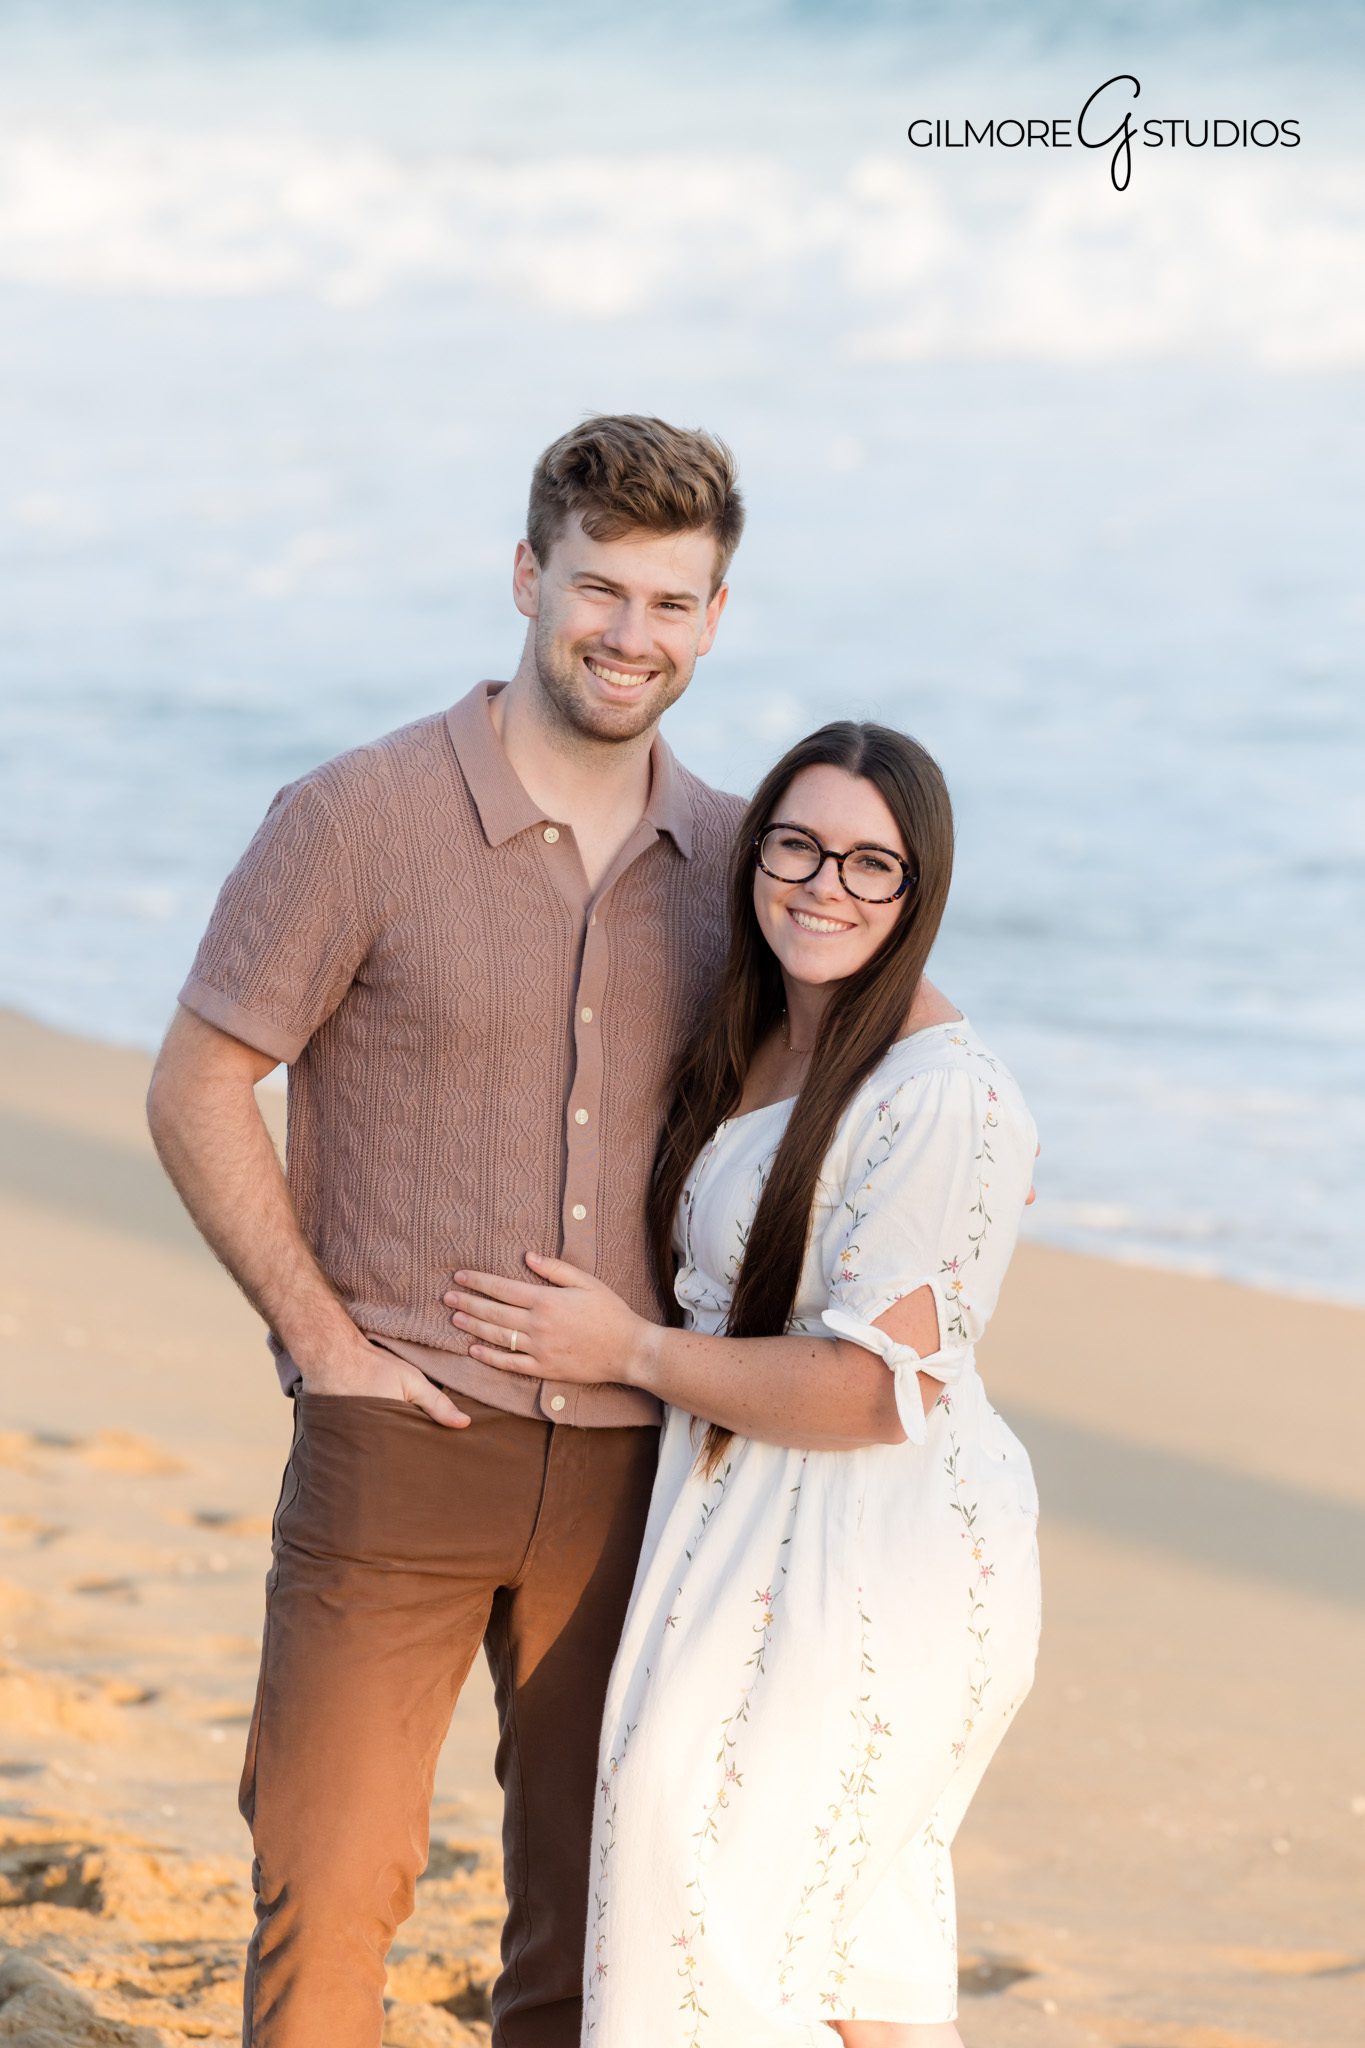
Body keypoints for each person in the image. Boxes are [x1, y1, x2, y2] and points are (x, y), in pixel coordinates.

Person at [145, 413, 754, 2048]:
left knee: (592, 1915)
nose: (630, 635)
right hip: (395, 1441)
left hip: (636, 1474)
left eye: (671, 603)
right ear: (524, 578)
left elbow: (876, 995)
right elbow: (201, 1083)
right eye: (598, 588)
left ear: (716, 619)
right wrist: (324, 1345)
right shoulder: (357, 818)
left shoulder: (737, 860)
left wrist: (965, 1108)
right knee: (330, 1891)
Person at [445, 720, 1042, 2047]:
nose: (824, 885)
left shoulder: (942, 1095)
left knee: (719, 1883)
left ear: (918, 890)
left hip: (871, 1547)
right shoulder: (758, 1033)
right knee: (815, 1937)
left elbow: (875, 1393)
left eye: (869, 865)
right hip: (742, 1512)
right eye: (796, 845)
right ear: (753, 852)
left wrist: (630, 1354)